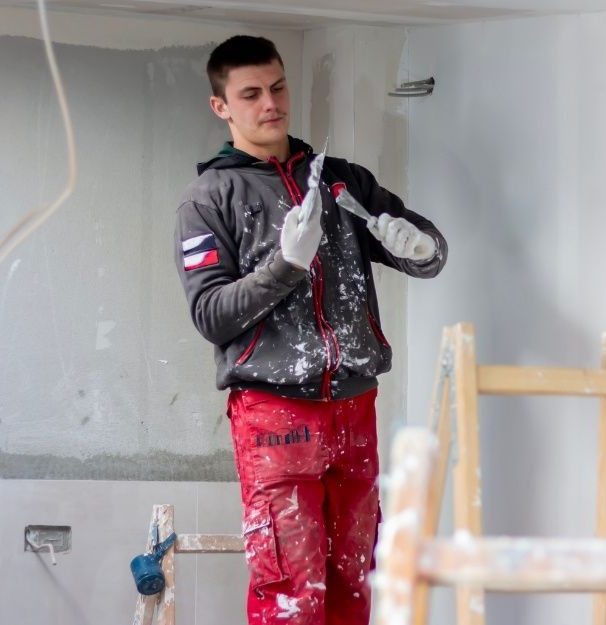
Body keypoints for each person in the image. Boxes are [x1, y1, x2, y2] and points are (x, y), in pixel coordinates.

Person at [173, 35, 447, 625]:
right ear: (221, 105)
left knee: (356, 580)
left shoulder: (340, 180)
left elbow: (422, 249)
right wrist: (285, 265)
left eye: (277, 87)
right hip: (274, 413)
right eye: (250, 94)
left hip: (354, 405)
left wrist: (423, 249)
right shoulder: (210, 198)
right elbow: (211, 314)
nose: (270, 103)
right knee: (291, 594)